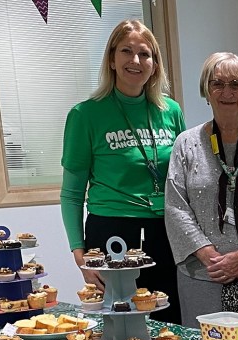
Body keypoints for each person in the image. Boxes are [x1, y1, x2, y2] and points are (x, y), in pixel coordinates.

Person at [60, 19, 185, 324]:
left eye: (145, 54)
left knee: (169, 324)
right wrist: (80, 255)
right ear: (112, 60)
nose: (136, 61)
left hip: (165, 232)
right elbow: (72, 194)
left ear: (155, 64)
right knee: (119, 324)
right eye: (126, 51)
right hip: (111, 231)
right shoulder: (85, 115)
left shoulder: (171, 111)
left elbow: (184, 179)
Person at [164, 52, 238, 340]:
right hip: (202, 274)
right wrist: (210, 257)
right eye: (217, 83)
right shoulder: (186, 144)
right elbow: (175, 207)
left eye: (236, 84)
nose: (227, 92)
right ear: (206, 91)